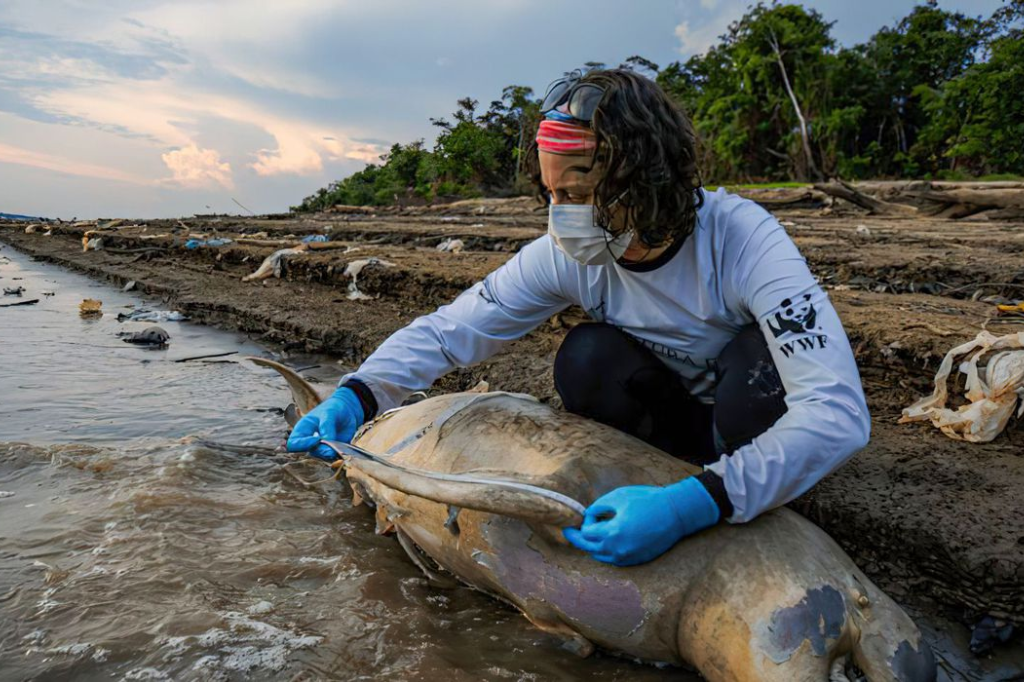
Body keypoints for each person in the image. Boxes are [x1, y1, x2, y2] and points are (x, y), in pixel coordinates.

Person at [287, 68, 870, 567]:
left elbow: (837, 414)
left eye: (580, 193)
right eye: (551, 196)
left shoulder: (743, 241)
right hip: (668, 423)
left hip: (742, 423)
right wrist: (359, 394)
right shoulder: (569, 255)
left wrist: (694, 504)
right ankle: (654, 485)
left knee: (759, 362)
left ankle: (726, 491)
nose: (562, 217)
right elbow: (454, 330)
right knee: (586, 356)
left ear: (646, 180)